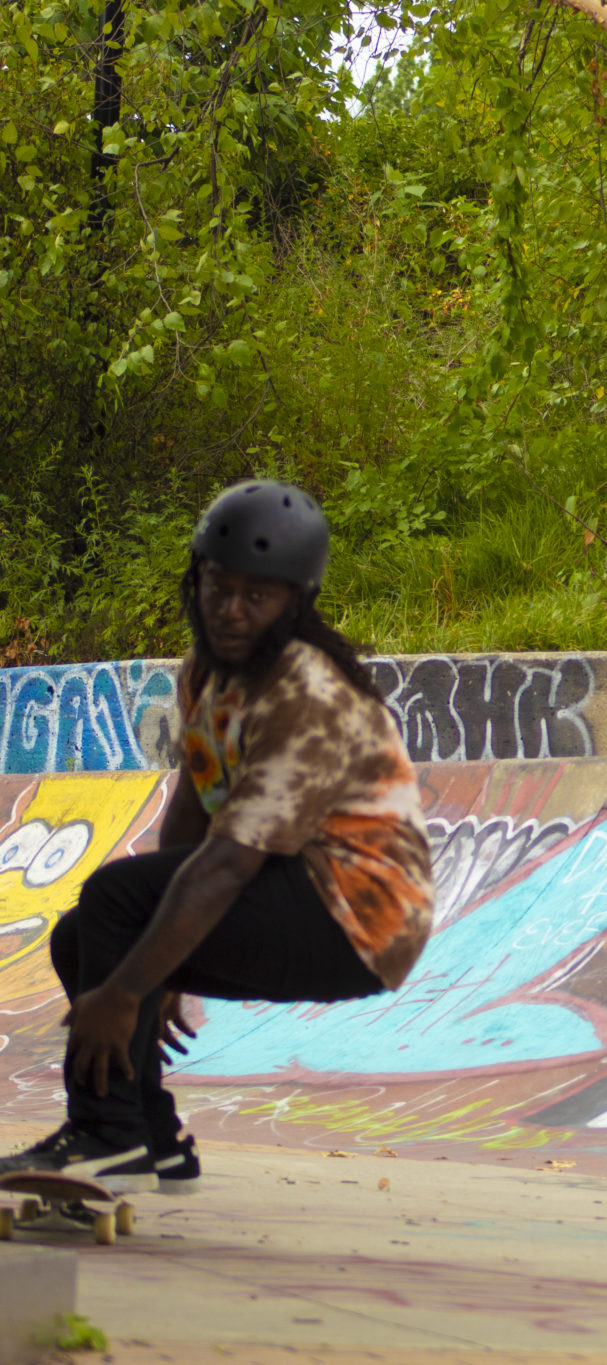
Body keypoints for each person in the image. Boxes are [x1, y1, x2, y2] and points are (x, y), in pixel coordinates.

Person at [0, 480, 435, 1192]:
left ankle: (104, 1137)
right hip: (299, 892)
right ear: (194, 581)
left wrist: (132, 986)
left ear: (295, 603)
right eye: (216, 587)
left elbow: (227, 863)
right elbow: (191, 814)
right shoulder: (208, 675)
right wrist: (156, 956)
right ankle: (150, 1136)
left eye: (257, 597)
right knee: (80, 937)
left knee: (112, 903)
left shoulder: (308, 691)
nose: (231, 611)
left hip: (359, 917)